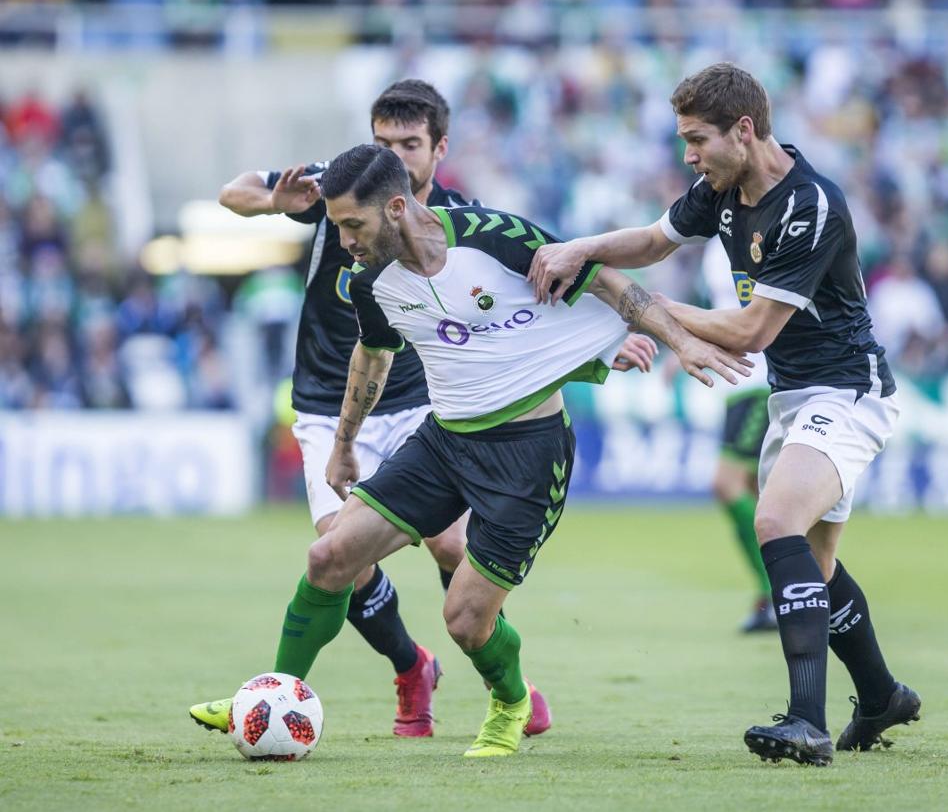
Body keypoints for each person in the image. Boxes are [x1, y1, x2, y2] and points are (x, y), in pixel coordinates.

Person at [193, 143, 748, 758]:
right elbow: (373, 356)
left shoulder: (491, 236)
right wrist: (345, 445)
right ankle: (276, 691)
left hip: (529, 456)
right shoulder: (371, 280)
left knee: (464, 620)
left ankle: (511, 701)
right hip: (444, 443)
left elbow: (614, 287)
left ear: (397, 207)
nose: (344, 239)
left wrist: (679, 342)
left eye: (352, 224)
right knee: (329, 557)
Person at [528, 62, 920, 766]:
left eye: (696, 138)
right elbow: (653, 242)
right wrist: (585, 247)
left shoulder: (810, 207)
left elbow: (749, 333)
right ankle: (883, 694)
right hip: (794, 396)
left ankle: (807, 721)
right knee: (817, 569)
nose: (688, 154)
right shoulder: (724, 188)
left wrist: (636, 305)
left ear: (744, 130)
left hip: (848, 393)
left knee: (773, 522)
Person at [196, 80, 554, 738]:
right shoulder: (339, 189)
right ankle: (378, 671)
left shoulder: (456, 221)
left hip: (422, 407)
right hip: (324, 407)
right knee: (339, 558)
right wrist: (275, 198)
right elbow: (232, 193)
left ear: (438, 148)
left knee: (451, 545)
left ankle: (511, 689)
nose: (394, 154)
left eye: (409, 144)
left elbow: (517, 290)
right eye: (382, 141)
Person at [700, 238, 775, 632]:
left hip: (758, 379)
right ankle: (782, 595)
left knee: (727, 484)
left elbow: (754, 314)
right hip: (738, 381)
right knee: (756, 490)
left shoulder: (750, 234)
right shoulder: (719, 238)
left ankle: (776, 589)